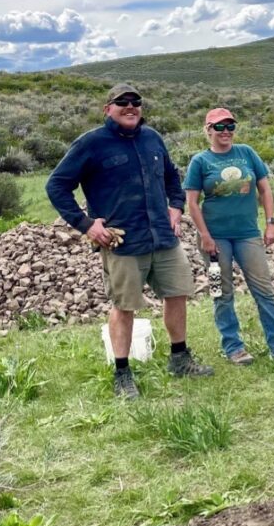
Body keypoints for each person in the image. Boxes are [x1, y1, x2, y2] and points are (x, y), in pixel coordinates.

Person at [47, 83, 213, 398]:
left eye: (136, 101)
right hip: (122, 241)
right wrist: (86, 225)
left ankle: (180, 358)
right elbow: (56, 185)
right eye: (122, 102)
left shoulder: (153, 138)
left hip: (162, 236)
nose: (130, 106)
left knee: (177, 293)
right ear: (107, 108)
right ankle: (122, 374)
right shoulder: (91, 144)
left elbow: (170, 176)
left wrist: (176, 206)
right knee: (124, 306)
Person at [184, 108, 274, 366]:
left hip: (247, 234)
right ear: (208, 130)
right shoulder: (200, 161)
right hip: (214, 239)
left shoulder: (247, 153)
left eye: (230, 126)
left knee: (265, 291)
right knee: (221, 292)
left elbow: (264, 188)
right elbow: (192, 203)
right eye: (219, 127)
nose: (225, 131)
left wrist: (271, 223)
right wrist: (205, 236)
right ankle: (233, 347)